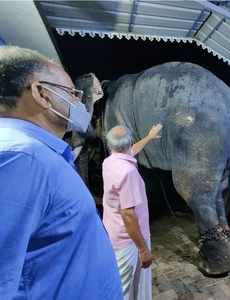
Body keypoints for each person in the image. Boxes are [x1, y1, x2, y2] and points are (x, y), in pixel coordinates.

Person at [0, 46, 122, 299]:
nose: (78, 103)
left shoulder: (37, 154)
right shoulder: (20, 157)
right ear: (41, 93)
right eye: (72, 94)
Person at [103, 124, 162, 300]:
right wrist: (143, 249)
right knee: (125, 289)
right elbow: (128, 215)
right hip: (130, 240)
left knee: (132, 285)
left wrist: (149, 137)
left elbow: (130, 150)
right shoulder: (128, 172)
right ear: (127, 143)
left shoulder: (110, 161)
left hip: (115, 233)